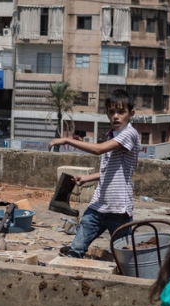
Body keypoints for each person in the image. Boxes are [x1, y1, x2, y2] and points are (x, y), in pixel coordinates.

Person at [48, 89, 139, 258]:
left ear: (131, 114)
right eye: (112, 112)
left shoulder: (129, 134)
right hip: (98, 205)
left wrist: (67, 140)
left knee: (124, 257)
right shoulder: (112, 134)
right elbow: (111, 171)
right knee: (75, 250)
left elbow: (98, 150)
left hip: (118, 209)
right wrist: (87, 178)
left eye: (121, 112)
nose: (116, 117)